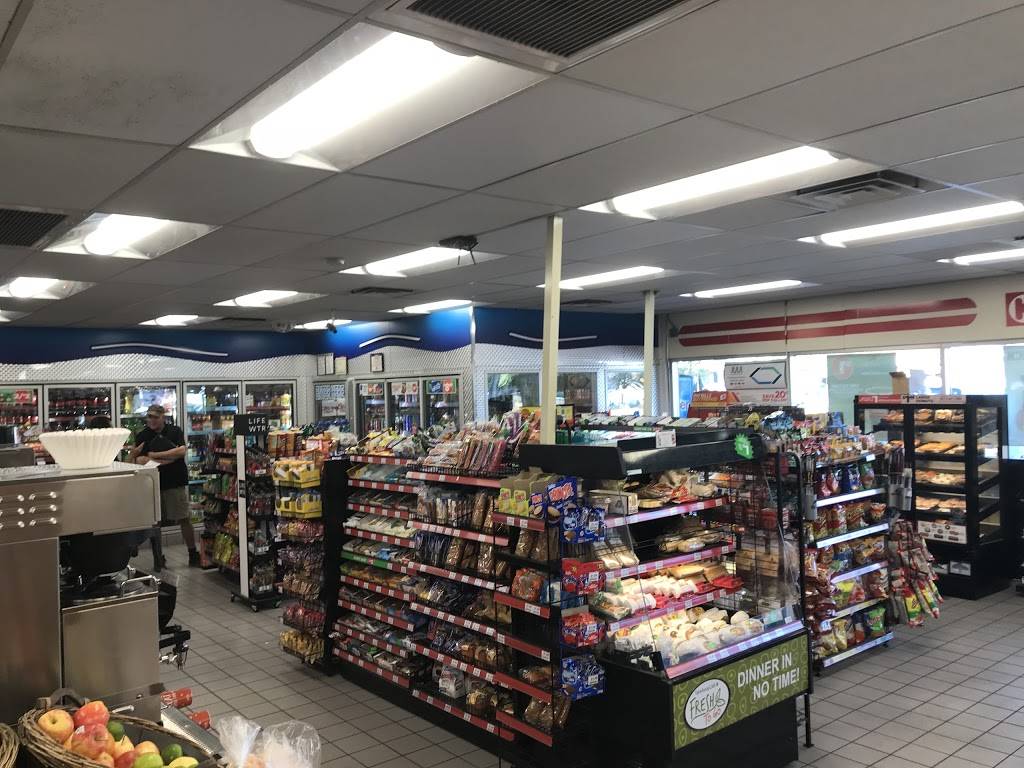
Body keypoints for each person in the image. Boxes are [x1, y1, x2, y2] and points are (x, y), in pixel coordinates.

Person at [129, 405, 198, 569]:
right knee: (156, 523)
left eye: (155, 417)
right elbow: (139, 460)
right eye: (149, 417)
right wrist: (169, 458)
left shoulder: (175, 431)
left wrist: (154, 456)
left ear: (163, 417)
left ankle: (193, 553)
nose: (151, 420)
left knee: (183, 517)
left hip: (175, 482)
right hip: (153, 485)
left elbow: (181, 452)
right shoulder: (143, 435)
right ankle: (158, 557)